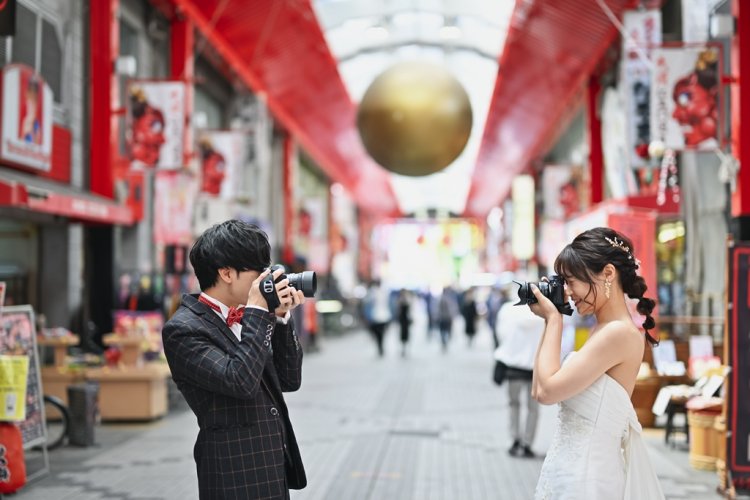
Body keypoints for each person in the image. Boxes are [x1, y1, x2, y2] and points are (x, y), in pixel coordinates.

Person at [162, 220, 307, 499]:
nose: (267, 278)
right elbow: (239, 380)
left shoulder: (251, 315)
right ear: (227, 273)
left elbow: (289, 380)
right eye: (259, 270)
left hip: (272, 466)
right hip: (232, 472)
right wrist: (256, 310)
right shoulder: (183, 329)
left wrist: (280, 318)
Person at [529, 227, 664, 499]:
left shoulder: (618, 333)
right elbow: (539, 386)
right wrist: (549, 319)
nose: (568, 292)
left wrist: (555, 320)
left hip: (588, 480)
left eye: (571, 281)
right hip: (571, 472)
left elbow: (546, 392)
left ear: (608, 274)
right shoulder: (603, 329)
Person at [493, 300, 544, 458]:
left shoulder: (509, 309)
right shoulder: (543, 313)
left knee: (513, 404)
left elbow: (500, 334)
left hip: (513, 367)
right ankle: (527, 443)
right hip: (535, 367)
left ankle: (514, 439)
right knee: (533, 408)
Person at [363, 280, 391, 357]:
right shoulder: (372, 292)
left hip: (382, 316)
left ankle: (380, 347)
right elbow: (367, 304)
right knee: (377, 333)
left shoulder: (384, 292)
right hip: (375, 316)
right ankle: (380, 347)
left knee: (381, 333)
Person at [397, 289, 412, 357]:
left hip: (406, 320)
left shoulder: (408, 300)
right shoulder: (400, 300)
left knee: (406, 334)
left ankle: (405, 347)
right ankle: (403, 347)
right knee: (403, 334)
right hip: (402, 320)